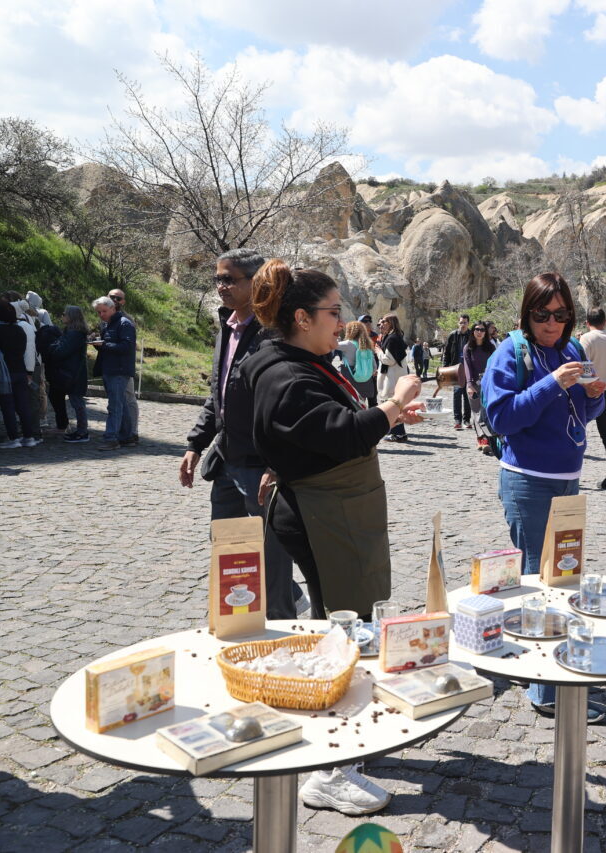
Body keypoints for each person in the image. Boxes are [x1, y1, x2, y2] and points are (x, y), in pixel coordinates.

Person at [242, 259, 423, 815]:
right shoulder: (285, 372)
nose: (340, 320)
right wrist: (392, 405)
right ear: (301, 317)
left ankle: (342, 743)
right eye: (333, 311)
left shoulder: (299, 360)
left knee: (344, 620)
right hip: (323, 515)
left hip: (334, 507)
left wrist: (387, 419)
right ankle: (328, 769)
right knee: (342, 629)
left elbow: (330, 427)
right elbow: (341, 433)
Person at [482, 273, 606, 720]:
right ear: (527, 313)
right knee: (540, 580)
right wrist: (552, 382)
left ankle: (537, 665)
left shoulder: (572, 350)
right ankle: (545, 688)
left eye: (561, 315)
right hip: (528, 480)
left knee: (563, 575)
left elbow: (585, 413)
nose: (552, 324)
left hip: (568, 479)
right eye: (542, 315)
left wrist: (595, 395)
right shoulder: (510, 352)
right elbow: (500, 418)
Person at [179, 248, 302, 621]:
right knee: (229, 551)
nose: (221, 287)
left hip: (262, 466)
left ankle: (284, 629)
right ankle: (240, 625)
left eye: (229, 279)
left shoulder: (276, 334)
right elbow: (218, 395)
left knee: (270, 557)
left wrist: (277, 463)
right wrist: (195, 444)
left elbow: (288, 406)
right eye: (217, 278)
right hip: (227, 463)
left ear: (256, 282)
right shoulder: (226, 327)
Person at [579, 307, 606, 489]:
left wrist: (589, 385)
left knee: (577, 433)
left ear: (587, 322)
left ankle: (571, 474)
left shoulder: (586, 339)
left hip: (587, 391)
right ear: (605, 322)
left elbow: (585, 365)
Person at [91, 295, 137, 450]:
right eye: (99, 312)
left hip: (119, 370)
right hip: (109, 368)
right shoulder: (107, 324)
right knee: (120, 403)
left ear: (112, 308)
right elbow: (110, 347)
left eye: (104, 311)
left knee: (115, 405)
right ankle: (127, 436)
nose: (101, 315)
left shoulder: (124, 324)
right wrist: (98, 345)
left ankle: (111, 438)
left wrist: (104, 345)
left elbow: (126, 347)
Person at [0, 301, 40, 448]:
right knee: (23, 405)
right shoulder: (20, 329)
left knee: (8, 406)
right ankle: (29, 436)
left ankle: (13, 438)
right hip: (20, 371)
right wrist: (29, 371)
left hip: (4, 373)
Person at [50, 306, 90, 442]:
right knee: (76, 402)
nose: (62, 316)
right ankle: (81, 430)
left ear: (71, 316)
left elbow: (61, 350)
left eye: (64, 314)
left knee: (77, 403)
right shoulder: (73, 332)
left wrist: (53, 347)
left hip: (73, 373)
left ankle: (82, 432)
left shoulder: (75, 333)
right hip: (72, 371)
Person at [106, 288, 140, 445]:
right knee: (121, 400)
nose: (114, 300)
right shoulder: (105, 315)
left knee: (128, 398)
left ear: (122, 302)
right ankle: (125, 432)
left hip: (123, 366)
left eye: (118, 298)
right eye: (112, 297)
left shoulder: (126, 320)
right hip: (112, 366)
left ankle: (132, 432)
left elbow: (127, 345)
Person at [459, 321, 496, 453]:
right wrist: (469, 384)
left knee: (486, 412)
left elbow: (494, 365)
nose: (479, 332)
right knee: (476, 412)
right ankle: (481, 439)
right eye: (476, 329)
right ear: (473, 331)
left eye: (482, 330)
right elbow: (467, 367)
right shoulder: (468, 347)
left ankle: (486, 438)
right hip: (473, 384)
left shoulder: (491, 347)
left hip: (488, 384)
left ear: (486, 332)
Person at [375, 314, 411, 443]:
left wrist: (378, 351)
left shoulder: (392, 339)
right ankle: (396, 432)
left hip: (393, 378)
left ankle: (399, 433)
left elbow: (388, 360)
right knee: (394, 405)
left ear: (391, 323)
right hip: (395, 377)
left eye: (384, 321)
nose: (381, 324)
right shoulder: (395, 337)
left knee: (393, 405)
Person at [337, 321, 379, 410]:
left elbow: (331, 345)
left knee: (350, 406)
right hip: (365, 380)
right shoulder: (367, 345)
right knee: (361, 404)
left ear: (350, 331)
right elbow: (374, 367)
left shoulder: (347, 344)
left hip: (350, 377)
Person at [442, 314, 471, 430]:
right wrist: (444, 369)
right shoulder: (452, 335)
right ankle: (457, 420)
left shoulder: (472, 336)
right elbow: (447, 353)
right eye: (461, 323)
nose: (462, 325)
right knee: (457, 394)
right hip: (455, 369)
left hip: (468, 370)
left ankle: (467, 420)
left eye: (464, 322)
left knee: (467, 395)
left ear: (468, 323)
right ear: (458, 323)